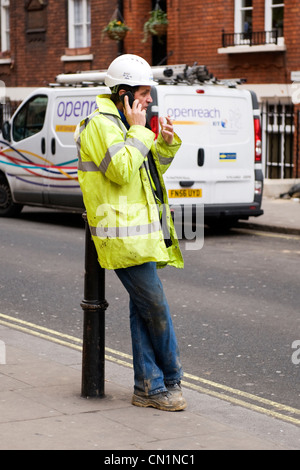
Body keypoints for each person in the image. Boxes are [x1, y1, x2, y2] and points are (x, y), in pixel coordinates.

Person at [75, 54, 186, 411]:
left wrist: (163, 143)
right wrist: (140, 132)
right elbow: (121, 170)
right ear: (123, 94)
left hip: (141, 235)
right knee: (155, 307)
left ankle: (148, 388)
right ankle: (170, 380)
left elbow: (148, 174)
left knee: (144, 309)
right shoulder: (100, 125)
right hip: (121, 237)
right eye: (144, 93)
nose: (150, 100)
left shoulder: (126, 124)